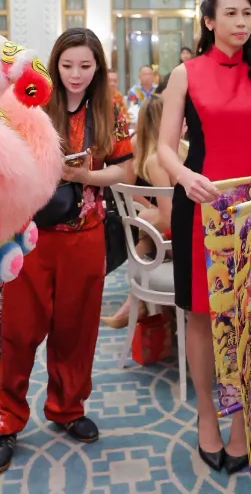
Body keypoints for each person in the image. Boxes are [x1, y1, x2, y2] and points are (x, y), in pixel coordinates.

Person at [157, 0, 251, 476]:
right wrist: (184, 176)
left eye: (247, 13)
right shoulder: (185, 74)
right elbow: (164, 148)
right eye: (231, 13)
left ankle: (242, 418)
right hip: (200, 202)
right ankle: (206, 414)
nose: (241, 22)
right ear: (210, 21)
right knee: (200, 314)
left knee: (249, 315)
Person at [0, 28, 135, 473]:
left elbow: (125, 169)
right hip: (30, 237)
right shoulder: (32, 99)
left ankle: (67, 407)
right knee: (18, 332)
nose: (75, 74)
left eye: (85, 66)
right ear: (55, 64)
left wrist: (85, 177)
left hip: (85, 234)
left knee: (77, 329)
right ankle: (5, 421)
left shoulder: (110, 105)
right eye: (67, 65)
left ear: (98, 67)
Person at [102, 94, 173, 329]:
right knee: (148, 224)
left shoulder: (164, 150)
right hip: (151, 211)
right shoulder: (142, 147)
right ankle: (138, 304)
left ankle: (135, 303)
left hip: (161, 215)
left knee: (148, 228)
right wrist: (152, 207)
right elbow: (128, 189)